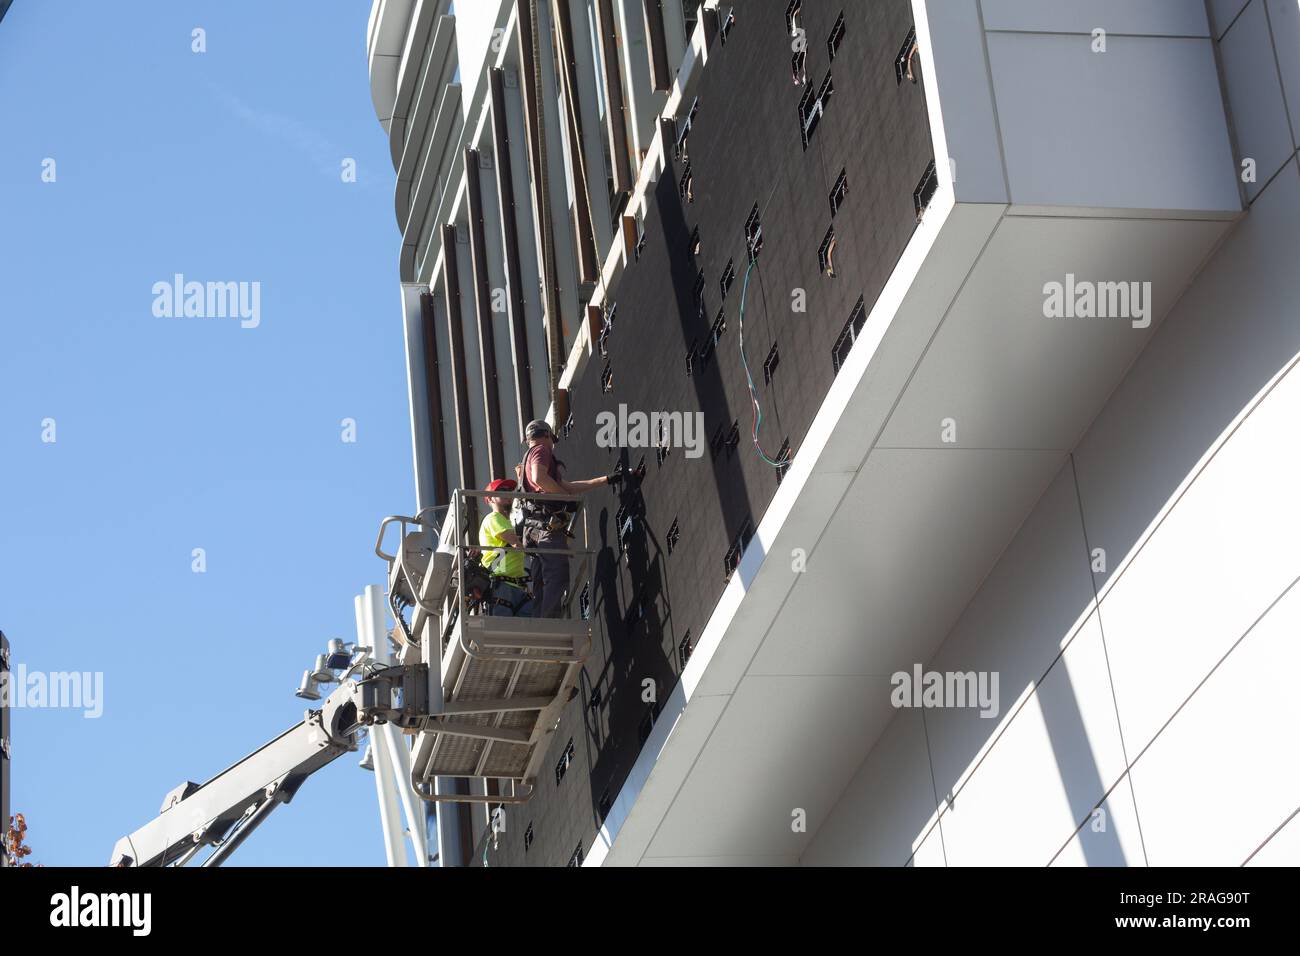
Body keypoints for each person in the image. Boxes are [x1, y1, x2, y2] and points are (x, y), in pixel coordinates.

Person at [518, 419, 622, 618]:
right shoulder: (542, 450)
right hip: (545, 527)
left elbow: (568, 486)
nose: (553, 444)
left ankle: (539, 626)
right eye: (552, 440)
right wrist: (564, 499)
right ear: (547, 435)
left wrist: (606, 479)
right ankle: (549, 626)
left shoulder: (527, 458)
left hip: (532, 530)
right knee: (557, 574)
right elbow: (541, 479)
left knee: (541, 582)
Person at [478, 478, 532, 616]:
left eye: (509, 490)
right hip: (502, 585)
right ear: (490, 499)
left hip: (515, 586)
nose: (508, 493)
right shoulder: (493, 518)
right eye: (502, 490)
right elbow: (514, 542)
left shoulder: (505, 521)